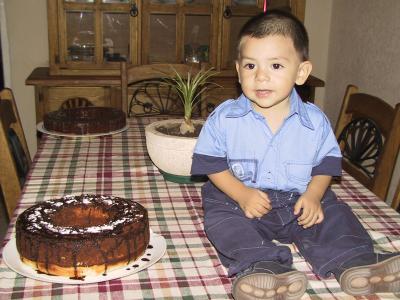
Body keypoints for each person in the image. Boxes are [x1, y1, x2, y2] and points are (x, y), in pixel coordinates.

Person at [191, 9, 400, 300]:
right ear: (238, 71)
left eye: (275, 65)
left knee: (335, 214)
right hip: (243, 199)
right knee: (221, 217)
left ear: (301, 72)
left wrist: (314, 195)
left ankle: (356, 262)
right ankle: (262, 268)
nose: (261, 76)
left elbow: (326, 163)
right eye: (251, 66)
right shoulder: (224, 118)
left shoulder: (315, 121)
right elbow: (210, 163)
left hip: (300, 198)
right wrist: (240, 193)